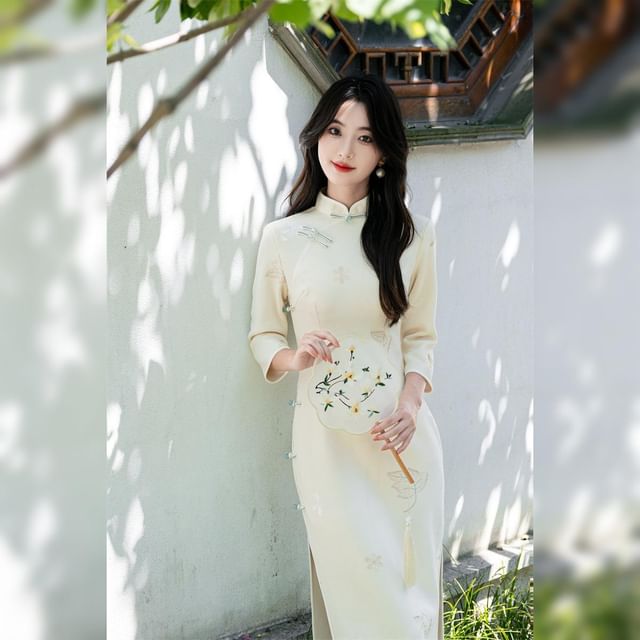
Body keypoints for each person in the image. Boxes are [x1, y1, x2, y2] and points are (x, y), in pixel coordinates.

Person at [248, 74, 443, 640]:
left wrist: (410, 406)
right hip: (326, 445)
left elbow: (421, 336)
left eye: (365, 137)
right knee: (350, 592)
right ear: (317, 136)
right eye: (335, 131)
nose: (345, 149)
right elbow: (262, 334)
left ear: (384, 154)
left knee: (405, 603)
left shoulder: (414, 236)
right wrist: (294, 357)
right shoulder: (284, 237)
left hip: (399, 439)